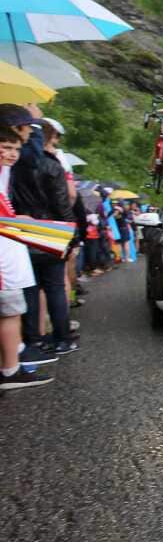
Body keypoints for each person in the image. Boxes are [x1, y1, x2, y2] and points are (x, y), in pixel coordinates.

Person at [2, 104, 77, 356]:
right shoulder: (50, 165)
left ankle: (33, 340)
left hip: (18, 231)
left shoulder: (11, 166)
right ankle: (62, 337)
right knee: (55, 286)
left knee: (30, 288)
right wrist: (70, 236)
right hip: (46, 231)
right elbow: (63, 201)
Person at [0, 128, 54, 391]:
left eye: (15, 149)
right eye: (6, 147)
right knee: (10, 313)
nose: (12, 154)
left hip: (8, 258)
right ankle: (9, 371)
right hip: (3, 265)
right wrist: (16, 221)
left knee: (12, 312)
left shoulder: (4, 176)